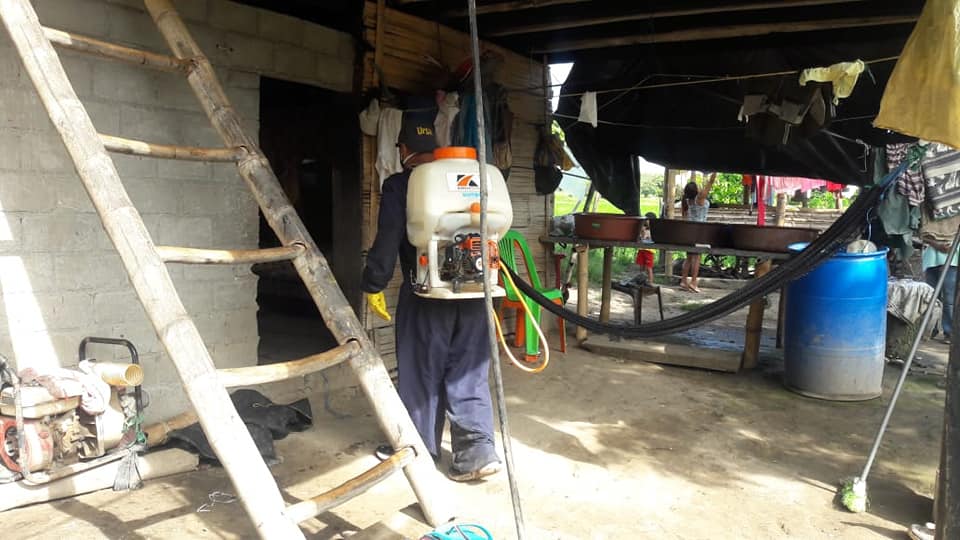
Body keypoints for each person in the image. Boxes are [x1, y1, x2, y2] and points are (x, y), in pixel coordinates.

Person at [361, 108, 502, 482]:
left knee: (421, 371)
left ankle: (419, 447)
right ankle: (477, 453)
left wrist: (373, 283)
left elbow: (388, 239)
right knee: (470, 370)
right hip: (479, 291)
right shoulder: (471, 178)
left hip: (427, 293)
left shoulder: (401, 184)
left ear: (403, 148)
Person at [680, 172, 717, 293]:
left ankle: (683, 281)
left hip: (689, 230)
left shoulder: (687, 201)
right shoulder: (699, 198)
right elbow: (710, 183)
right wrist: (715, 171)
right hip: (699, 231)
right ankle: (693, 282)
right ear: (696, 190)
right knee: (697, 257)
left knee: (689, 257)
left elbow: (684, 217)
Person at [922, 239, 958, 343]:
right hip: (931, 260)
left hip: (952, 259)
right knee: (931, 298)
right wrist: (935, 243)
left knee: (949, 299)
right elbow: (924, 235)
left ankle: (949, 332)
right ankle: (930, 329)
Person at [634, 212, 656, 284]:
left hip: (649, 251)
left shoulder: (654, 229)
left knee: (649, 268)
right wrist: (642, 231)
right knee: (641, 267)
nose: (646, 222)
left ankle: (650, 282)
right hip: (641, 249)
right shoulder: (643, 228)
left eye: (648, 220)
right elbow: (641, 237)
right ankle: (641, 281)